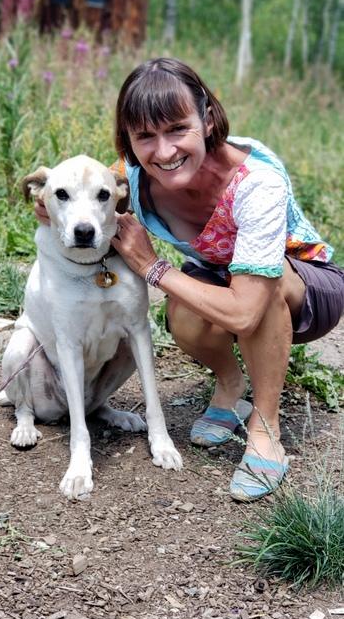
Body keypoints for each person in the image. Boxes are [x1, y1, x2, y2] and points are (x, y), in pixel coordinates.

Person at [36, 57, 344, 502]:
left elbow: (243, 310)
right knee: (182, 313)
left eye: (177, 129)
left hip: (304, 284)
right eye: (145, 136)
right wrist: (48, 206)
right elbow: (77, 190)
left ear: (208, 118)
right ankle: (230, 384)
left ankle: (266, 428)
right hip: (224, 276)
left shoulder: (257, 182)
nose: (163, 151)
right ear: (129, 143)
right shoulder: (131, 177)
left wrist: (151, 267)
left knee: (261, 292)